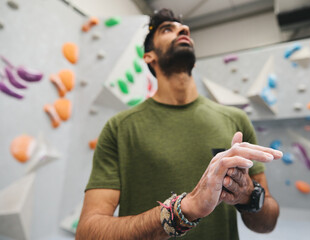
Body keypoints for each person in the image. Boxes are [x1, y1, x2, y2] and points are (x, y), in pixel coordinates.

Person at [76, 8, 281, 240]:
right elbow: (87, 233)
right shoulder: (120, 128)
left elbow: (268, 223)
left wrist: (248, 195)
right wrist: (184, 209)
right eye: (167, 29)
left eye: (184, 29)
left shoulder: (236, 121)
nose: (183, 30)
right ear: (149, 56)